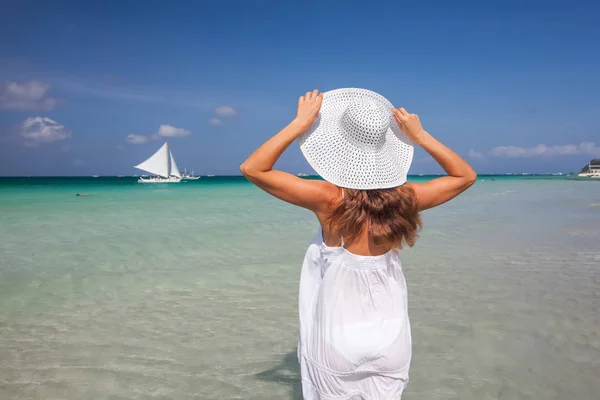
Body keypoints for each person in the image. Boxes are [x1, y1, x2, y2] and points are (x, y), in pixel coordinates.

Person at [240, 89, 476, 399]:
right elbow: (465, 176)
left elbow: (253, 168)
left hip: (338, 342)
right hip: (390, 341)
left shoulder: (330, 201)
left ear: (337, 150)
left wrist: (300, 123)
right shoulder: (406, 200)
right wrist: (421, 136)